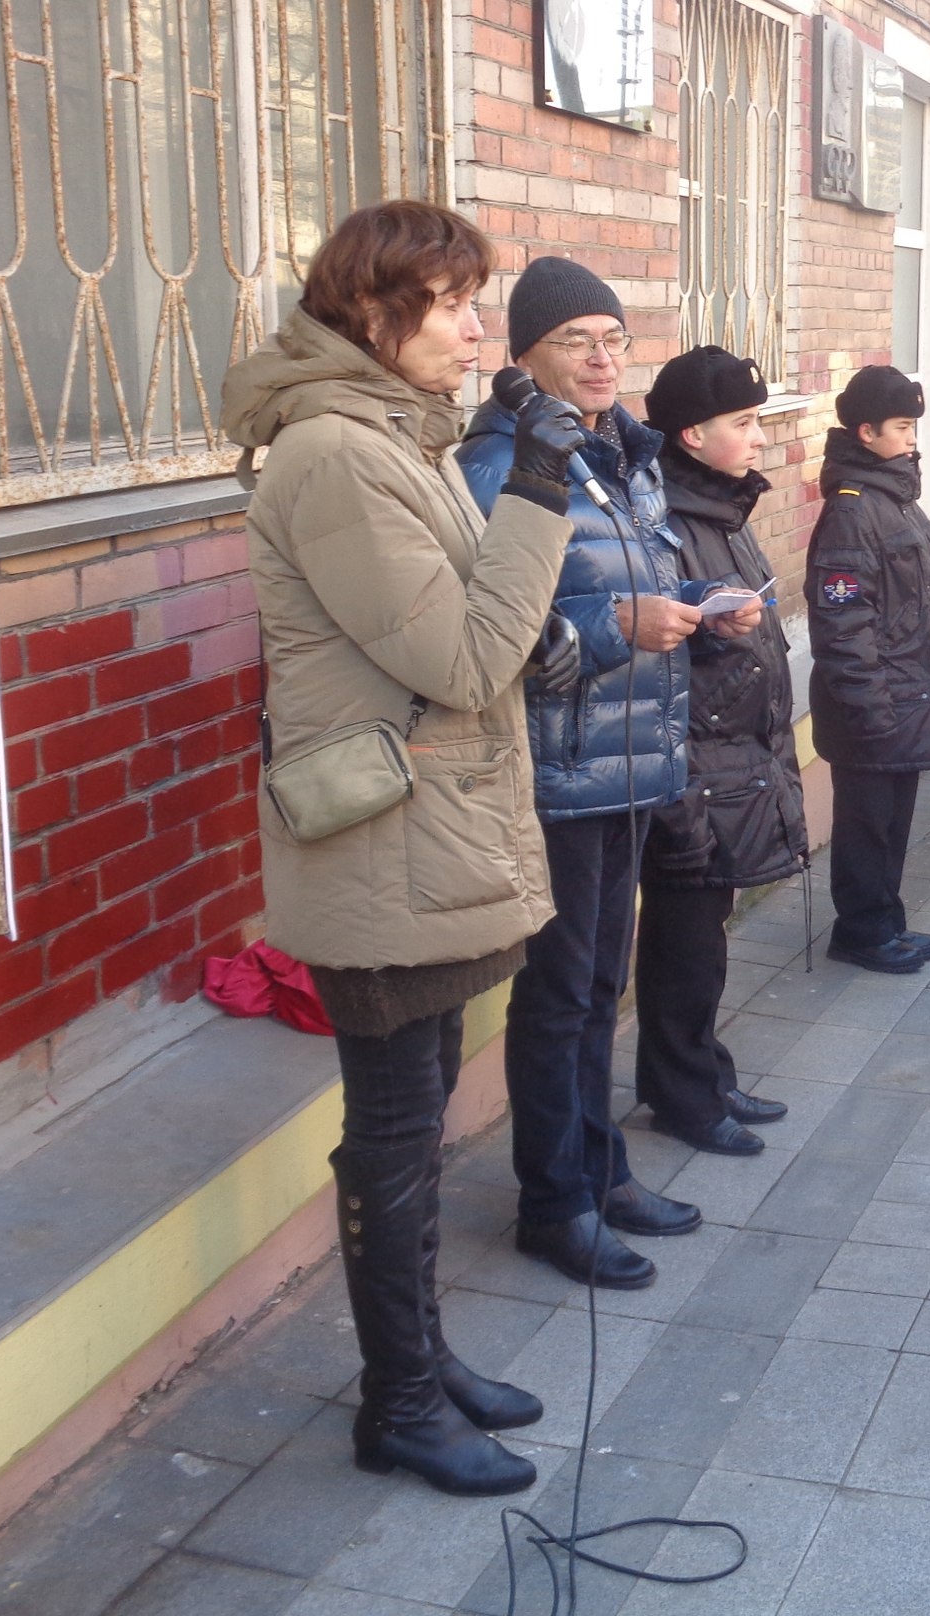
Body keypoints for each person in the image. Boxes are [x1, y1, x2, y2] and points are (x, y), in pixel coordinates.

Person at [221, 199, 581, 1495]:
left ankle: (425, 1359)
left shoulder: (396, 437)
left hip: (430, 837)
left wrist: (545, 627)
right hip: (382, 852)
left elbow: (473, 621)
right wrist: (540, 489)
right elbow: (462, 659)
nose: (478, 331)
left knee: (418, 1122)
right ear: (377, 313)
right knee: (393, 1130)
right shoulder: (335, 454)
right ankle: (400, 1404)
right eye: (455, 306)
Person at [457, 256, 705, 1291]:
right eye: (576, 342)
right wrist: (616, 628)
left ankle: (600, 1173)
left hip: (629, 761)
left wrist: (694, 606)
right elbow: (495, 633)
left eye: (613, 339)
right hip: (557, 772)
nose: (603, 359)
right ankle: (553, 1204)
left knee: (603, 985)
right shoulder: (500, 462)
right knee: (558, 998)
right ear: (524, 357)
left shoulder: (620, 451)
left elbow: (628, 572)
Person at [632, 346, 805, 1156]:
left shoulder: (720, 511)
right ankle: (680, 1096)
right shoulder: (664, 522)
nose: (760, 438)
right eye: (744, 422)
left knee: (707, 934)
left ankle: (705, 1071)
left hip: (732, 762)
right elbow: (653, 649)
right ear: (692, 435)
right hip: (690, 769)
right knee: (683, 941)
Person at [806, 364, 930, 972]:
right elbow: (842, 624)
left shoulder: (893, 498)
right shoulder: (852, 510)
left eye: (914, 426)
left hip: (905, 701)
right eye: (902, 427)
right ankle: (861, 931)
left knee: (893, 825)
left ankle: (885, 921)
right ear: (866, 432)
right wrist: (870, 709)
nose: (912, 438)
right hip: (873, 708)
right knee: (866, 827)